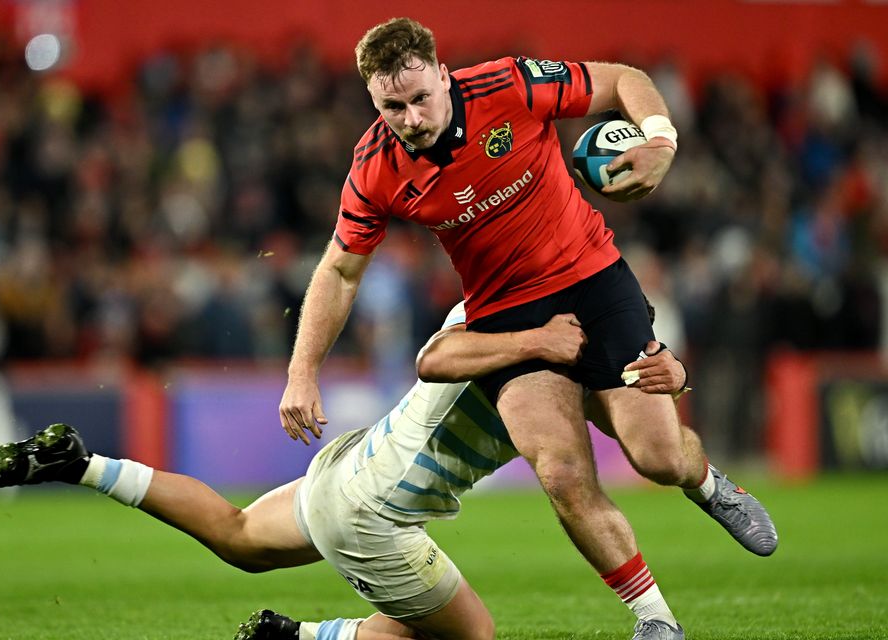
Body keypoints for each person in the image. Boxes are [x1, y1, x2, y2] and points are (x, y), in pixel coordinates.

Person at [279, 17, 776, 640]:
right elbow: (341, 271)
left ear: (441, 73)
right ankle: (655, 621)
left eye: (419, 98)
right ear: (373, 102)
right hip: (506, 317)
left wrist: (660, 140)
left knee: (658, 457)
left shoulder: (508, 86)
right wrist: (301, 373)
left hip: (595, 281)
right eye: (391, 107)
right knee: (563, 474)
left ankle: (709, 486)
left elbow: (624, 78)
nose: (409, 118)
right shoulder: (374, 167)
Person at [0, 305, 689, 640]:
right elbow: (612, 423)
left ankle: (85, 464)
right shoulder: (548, 351)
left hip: (349, 466)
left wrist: (667, 376)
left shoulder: (477, 312)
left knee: (238, 535)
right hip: (372, 513)